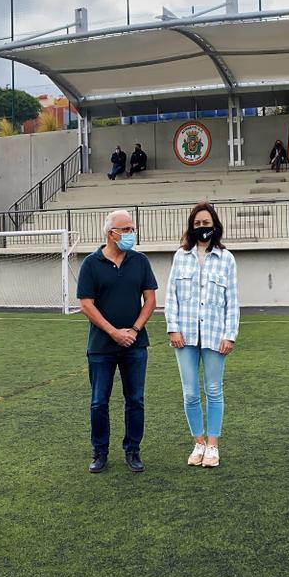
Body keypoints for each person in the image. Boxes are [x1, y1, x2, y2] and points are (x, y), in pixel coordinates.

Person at [77, 209, 158, 473]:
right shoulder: (90, 264)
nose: (131, 234)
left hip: (136, 345)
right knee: (99, 401)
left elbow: (151, 301)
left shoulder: (140, 261)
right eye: (127, 229)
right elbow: (86, 305)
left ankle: (133, 450)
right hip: (101, 347)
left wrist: (134, 330)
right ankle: (100, 451)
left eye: (132, 229)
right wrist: (113, 332)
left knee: (135, 399)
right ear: (112, 233)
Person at [165, 201, 239, 469]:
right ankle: (198, 442)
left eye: (206, 224)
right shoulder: (180, 257)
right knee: (190, 393)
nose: (202, 228)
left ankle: (213, 445)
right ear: (191, 227)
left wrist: (230, 335)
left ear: (215, 226)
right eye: (197, 224)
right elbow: (171, 297)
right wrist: (172, 328)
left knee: (214, 390)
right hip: (184, 336)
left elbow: (233, 300)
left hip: (214, 335)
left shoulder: (226, 259)